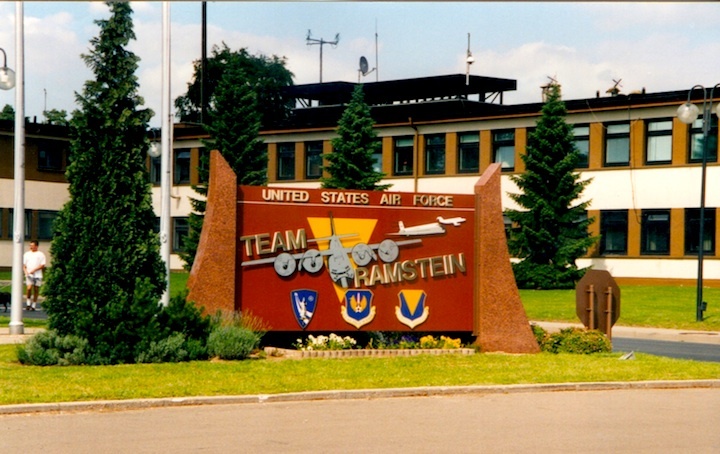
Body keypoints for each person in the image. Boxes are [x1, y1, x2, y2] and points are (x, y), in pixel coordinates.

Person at [23, 240, 46, 311]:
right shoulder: (27, 254)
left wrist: (34, 270)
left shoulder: (40, 254)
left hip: (37, 275)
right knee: (29, 288)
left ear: (36, 246)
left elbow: (42, 265)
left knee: (36, 289)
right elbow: (24, 265)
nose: (31, 247)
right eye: (30, 245)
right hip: (29, 275)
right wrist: (26, 272)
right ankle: (28, 303)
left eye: (32, 245)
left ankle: (34, 304)